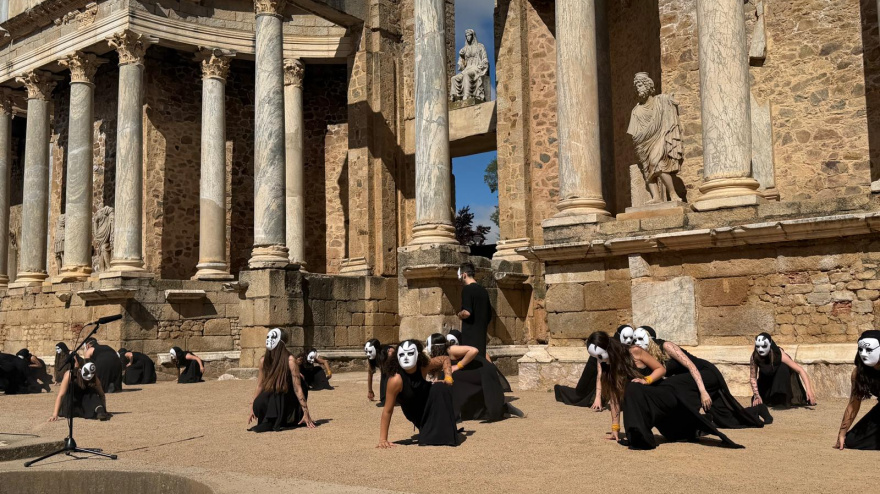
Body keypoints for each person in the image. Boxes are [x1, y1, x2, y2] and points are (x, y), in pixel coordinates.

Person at [588, 331, 742, 450]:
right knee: (676, 434)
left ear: (609, 347)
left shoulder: (634, 351)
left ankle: (640, 439)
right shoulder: (608, 367)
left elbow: (660, 369)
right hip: (648, 402)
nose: (599, 360)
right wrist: (615, 428)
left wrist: (646, 380)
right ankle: (699, 425)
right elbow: (614, 397)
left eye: (600, 355)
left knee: (634, 387)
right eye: (596, 357)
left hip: (662, 393)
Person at [634, 326, 770, 428]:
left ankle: (690, 423)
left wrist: (703, 391)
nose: (637, 343)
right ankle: (758, 409)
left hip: (705, 373)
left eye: (641, 339)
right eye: (635, 340)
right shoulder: (648, 355)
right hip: (690, 379)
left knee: (674, 384)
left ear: (650, 339)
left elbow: (692, 366)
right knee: (725, 418)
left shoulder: (667, 346)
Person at [377, 340, 458, 448]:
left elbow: (445, 358)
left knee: (441, 388)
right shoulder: (396, 380)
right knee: (428, 438)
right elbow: (387, 410)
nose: (406, 357)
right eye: (402, 354)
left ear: (417, 355)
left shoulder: (423, 367)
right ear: (397, 358)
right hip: (417, 413)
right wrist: (383, 439)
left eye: (410, 353)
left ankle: (447, 432)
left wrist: (448, 377)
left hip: (430, 402)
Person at [426, 333, 524, 421]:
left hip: (482, 369)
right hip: (469, 371)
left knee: (492, 413)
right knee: (448, 379)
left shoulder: (450, 349)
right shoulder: (438, 356)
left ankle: (504, 408)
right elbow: (437, 376)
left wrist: (458, 366)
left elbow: (473, 350)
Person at [248, 328, 315, 432]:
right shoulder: (263, 360)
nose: (270, 340)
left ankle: (285, 418)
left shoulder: (290, 361)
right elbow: (260, 385)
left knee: (287, 388)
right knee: (260, 402)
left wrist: (306, 412)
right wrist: (252, 405)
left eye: (273, 337)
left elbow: (298, 388)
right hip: (273, 391)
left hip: (287, 393)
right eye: (268, 337)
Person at [554, 325, 634, 409]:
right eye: (625, 337)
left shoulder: (626, 350)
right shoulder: (601, 353)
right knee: (581, 393)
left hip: (605, 358)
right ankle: (559, 390)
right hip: (596, 359)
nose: (628, 341)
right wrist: (597, 398)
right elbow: (600, 375)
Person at [835, 330, 880, 450]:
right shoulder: (859, 373)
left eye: (869, 350)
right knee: (851, 440)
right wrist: (842, 433)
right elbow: (854, 404)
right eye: (861, 350)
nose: (864, 354)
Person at [751, 333, 817, 408]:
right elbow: (753, 377)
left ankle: (781, 398)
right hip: (766, 381)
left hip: (779, 381)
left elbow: (800, 370)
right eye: (758, 346)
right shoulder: (755, 356)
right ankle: (768, 398)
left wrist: (809, 390)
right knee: (758, 402)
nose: (760, 349)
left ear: (769, 345)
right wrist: (756, 395)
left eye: (763, 346)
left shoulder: (779, 354)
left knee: (782, 367)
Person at [457, 262, 492, 357]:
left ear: (464, 275)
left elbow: (467, 312)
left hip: (470, 334)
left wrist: (460, 314)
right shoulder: (483, 291)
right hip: (481, 333)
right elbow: (489, 314)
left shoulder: (467, 289)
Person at [365, 339, 387, 404]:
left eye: (370, 351)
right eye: (366, 352)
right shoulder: (371, 357)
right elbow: (370, 373)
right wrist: (370, 390)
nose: (368, 354)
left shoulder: (385, 355)